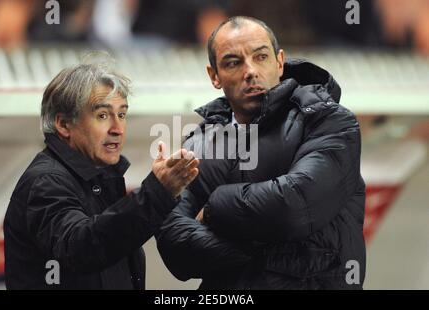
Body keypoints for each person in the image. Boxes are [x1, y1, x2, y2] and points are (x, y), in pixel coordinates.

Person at [156, 16, 366, 289]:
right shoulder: (199, 143)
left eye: (261, 57)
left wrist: (213, 209)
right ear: (214, 76)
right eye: (233, 63)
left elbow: (294, 206)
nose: (251, 71)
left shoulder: (329, 122)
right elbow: (175, 247)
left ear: (279, 62)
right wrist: (258, 247)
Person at [3, 57, 199, 289]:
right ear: (64, 125)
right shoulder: (46, 181)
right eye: (103, 115)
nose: (117, 129)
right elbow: (81, 248)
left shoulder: (102, 176)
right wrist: (156, 192)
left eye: (122, 114)